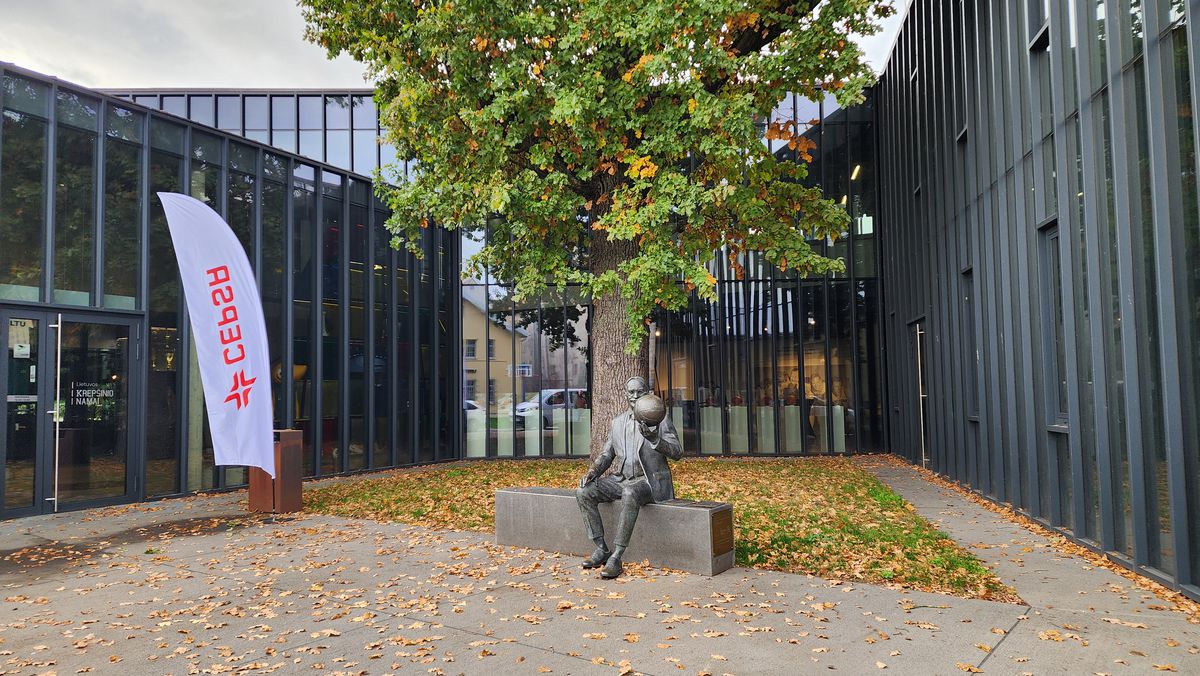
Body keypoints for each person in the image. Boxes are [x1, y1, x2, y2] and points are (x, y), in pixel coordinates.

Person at [575, 376, 684, 578]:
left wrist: (655, 439)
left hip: (649, 482)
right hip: (621, 479)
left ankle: (616, 556)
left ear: (647, 394)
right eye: (631, 392)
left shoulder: (660, 419)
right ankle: (601, 548)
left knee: (630, 492)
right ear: (625, 395)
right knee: (584, 491)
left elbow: (677, 452)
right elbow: (607, 455)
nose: (635, 396)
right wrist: (592, 472)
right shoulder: (617, 423)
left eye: (639, 392)